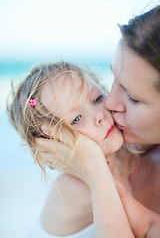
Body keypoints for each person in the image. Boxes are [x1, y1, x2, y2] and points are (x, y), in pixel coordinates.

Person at [35, 4, 160, 238]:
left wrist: (96, 173)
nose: (109, 104)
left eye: (132, 97)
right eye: (113, 80)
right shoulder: (130, 153)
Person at [7, 61, 136, 237]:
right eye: (76, 119)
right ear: (55, 143)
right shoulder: (73, 190)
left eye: (97, 99)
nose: (100, 115)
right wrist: (97, 174)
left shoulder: (126, 154)